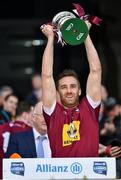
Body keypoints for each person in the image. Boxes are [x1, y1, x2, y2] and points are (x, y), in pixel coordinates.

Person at [40, 23, 102, 157]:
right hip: (59, 175)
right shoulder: (52, 113)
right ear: (58, 92)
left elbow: (96, 70)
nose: (69, 91)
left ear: (80, 91)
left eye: (73, 86)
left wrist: (85, 35)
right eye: (63, 87)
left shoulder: (90, 108)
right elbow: (46, 75)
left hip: (91, 176)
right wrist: (50, 38)